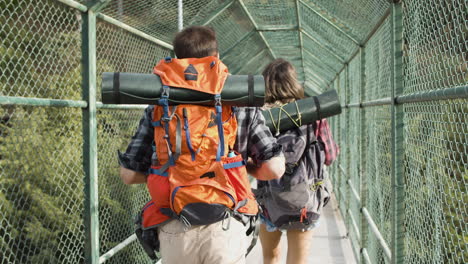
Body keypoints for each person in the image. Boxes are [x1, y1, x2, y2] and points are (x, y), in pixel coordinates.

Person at [118, 26, 285, 264]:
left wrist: (172, 171)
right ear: (216, 58)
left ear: (176, 59)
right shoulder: (238, 101)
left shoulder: (160, 106)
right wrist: (239, 166)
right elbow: (274, 168)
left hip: (174, 225)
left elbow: (128, 174)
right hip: (227, 224)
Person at [258, 58, 338, 264]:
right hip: (304, 200)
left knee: (270, 256)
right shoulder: (314, 115)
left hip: (268, 197)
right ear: (294, 83)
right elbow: (330, 157)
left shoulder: (259, 117)